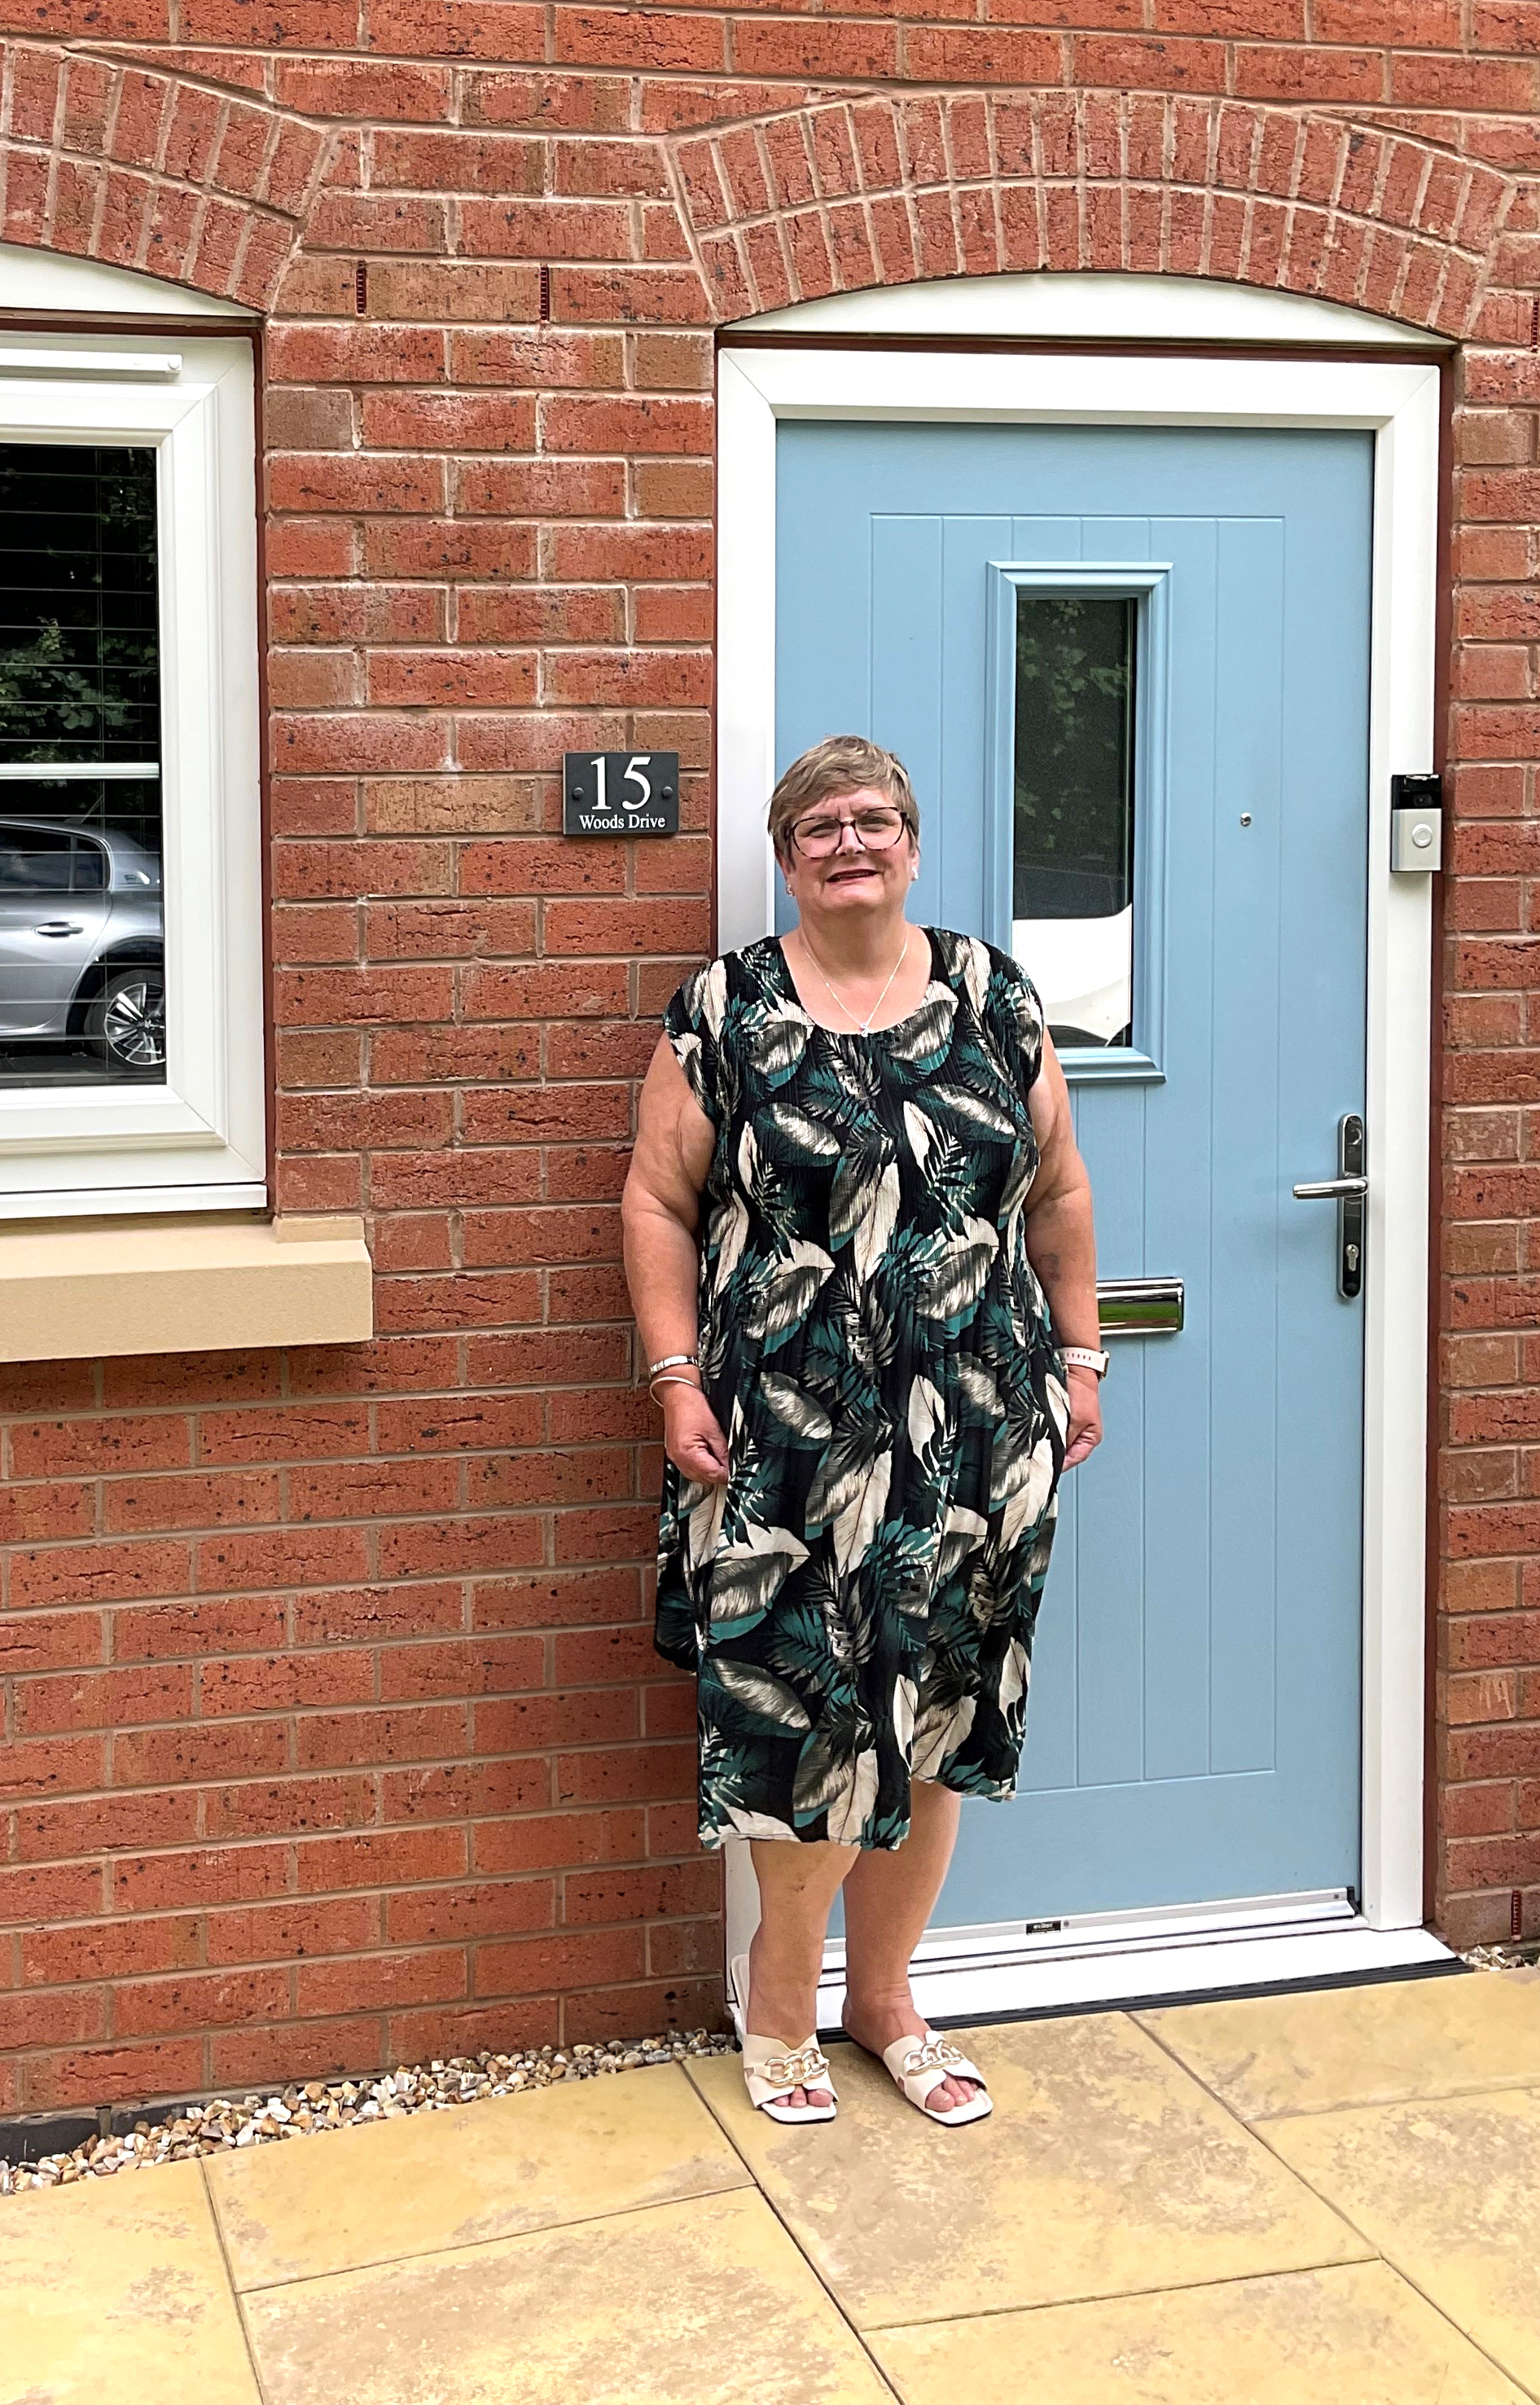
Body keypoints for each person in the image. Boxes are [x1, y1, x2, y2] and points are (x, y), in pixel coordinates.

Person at [621, 734, 1105, 2128]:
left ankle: (888, 2000)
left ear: (912, 841)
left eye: (877, 819)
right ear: (786, 856)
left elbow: (1060, 1190)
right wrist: (672, 1377)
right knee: (813, 1721)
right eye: (822, 825)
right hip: (782, 1435)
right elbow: (657, 1201)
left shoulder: (992, 996)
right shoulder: (726, 1008)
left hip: (979, 1427)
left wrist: (1081, 1358)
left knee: (937, 1715)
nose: (852, 843)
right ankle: (781, 1999)